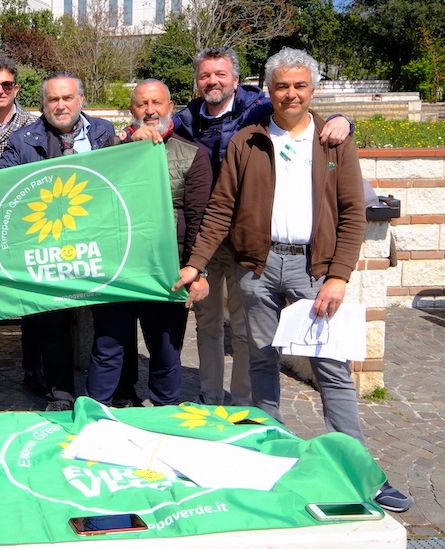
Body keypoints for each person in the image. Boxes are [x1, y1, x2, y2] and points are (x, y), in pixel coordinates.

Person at [174, 47, 413, 514]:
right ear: (267, 89)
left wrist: (339, 276)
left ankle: (360, 468)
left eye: (300, 85)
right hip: (258, 270)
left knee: (331, 370)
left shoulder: (332, 141)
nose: (290, 94)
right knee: (261, 362)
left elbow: (351, 213)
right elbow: (221, 208)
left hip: (314, 270)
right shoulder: (248, 140)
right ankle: (272, 456)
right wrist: (197, 263)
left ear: (312, 89)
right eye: (282, 85)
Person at [172, 46, 352, 407]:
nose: (213, 81)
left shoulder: (256, 110)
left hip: (247, 242)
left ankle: (242, 403)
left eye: (220, 74)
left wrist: (343, 118)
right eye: (205, 75)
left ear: (235, 80)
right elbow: (155, 125)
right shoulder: (186, 119)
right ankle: (210, 399)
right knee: (208, 326)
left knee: (246, 332)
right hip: (204, 237)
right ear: (197, 81)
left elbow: (297, 104)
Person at [0, 71, 116, 411]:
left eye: (67, 98)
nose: (60, 105)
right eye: (53, 99)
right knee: (53, 324)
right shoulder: (24, 140)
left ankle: (102, 397)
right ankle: (60, 396)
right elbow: (1, 174)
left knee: (107, 324)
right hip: (50, 246)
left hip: (98, 244)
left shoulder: (104, 133)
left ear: (81, 100)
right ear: (42, 104)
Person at [86, 80, 211, 407]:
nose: (150, 110)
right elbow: (95, 198)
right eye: (142, 104)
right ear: (132, 110)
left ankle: (165, 417)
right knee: (108, 348)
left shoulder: (192, 155)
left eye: (157, 103)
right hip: (119, 270)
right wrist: (128, 147)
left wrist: (197, 270)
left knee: (166, 352)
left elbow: (199, 219)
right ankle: (97, 416)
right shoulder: (111, 149)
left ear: (170, 107)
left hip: (167, 272)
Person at [0, 54, 44, 397]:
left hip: (23, 224)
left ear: (16, 88)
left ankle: (34, 368)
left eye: (6, 84)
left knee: (30, 300)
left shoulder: (33, 122)